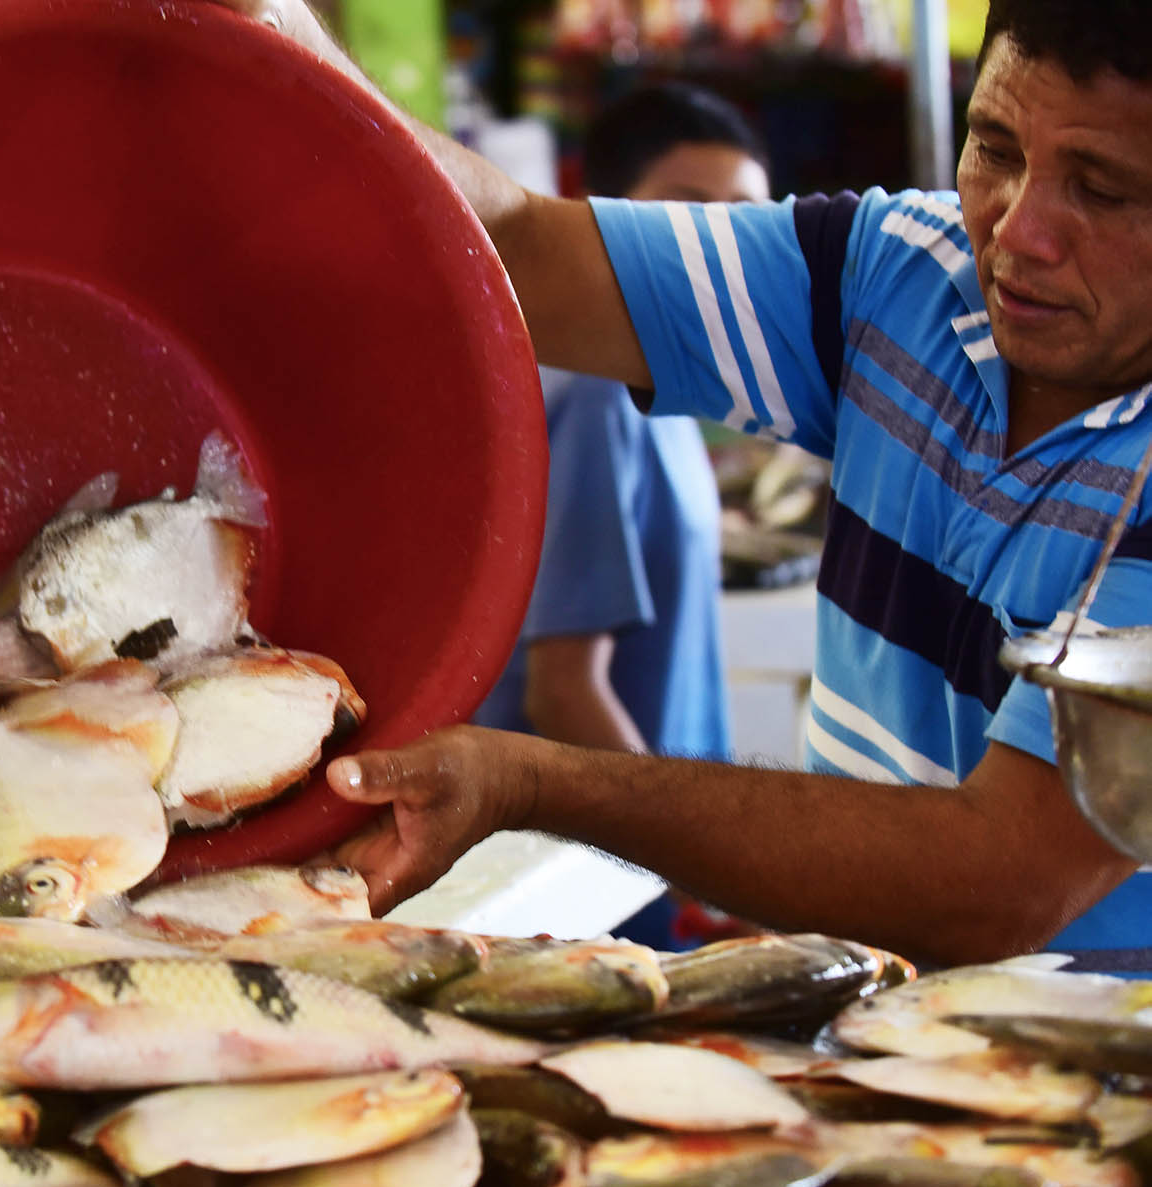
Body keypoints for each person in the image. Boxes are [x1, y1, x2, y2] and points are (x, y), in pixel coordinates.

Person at [210, 0, 1152, 969]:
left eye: (1101, 189)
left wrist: (534, 782)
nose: (1018, 232)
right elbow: (513, 244)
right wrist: (278, 31)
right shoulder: (898, 271)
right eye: (993, 149)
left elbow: (992, 882)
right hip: (870, 1032)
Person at [473, 83, 767, 950]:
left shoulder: (665, 385)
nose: (716, 244)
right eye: (686, 209)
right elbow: (564, 688)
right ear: (597, 217)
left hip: (651, 866)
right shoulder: (599, 393)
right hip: (602, 888)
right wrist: (712, 870)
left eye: (744, 218)